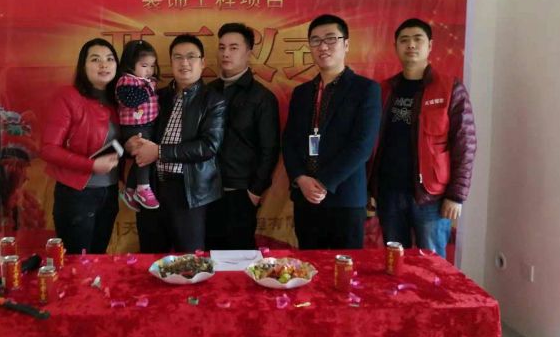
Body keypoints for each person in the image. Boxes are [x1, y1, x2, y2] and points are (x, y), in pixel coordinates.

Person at [369, 18, 476, 256]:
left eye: (418, 39)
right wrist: (370, 189)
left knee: (432, 263)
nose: (411, 45)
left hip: (431, 197)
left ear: (430, 46)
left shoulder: (450, 88)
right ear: (395, 47)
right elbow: (373, 144)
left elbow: (465, 144)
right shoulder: (384, 90)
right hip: (389, 193)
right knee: (394, 262)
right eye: (404, 40)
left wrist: (456, 196)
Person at [282, 14, 381, 250]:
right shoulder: (302, 93)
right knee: (308, 266)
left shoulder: (366, 89)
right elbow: (289, 142)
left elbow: (362, 146)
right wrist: (301, 179)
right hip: (305, 198)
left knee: (344, 267)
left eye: (330, 39)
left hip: (344, 198)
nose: (323, 46)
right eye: (315, 40)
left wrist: (324, 182)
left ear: (346, 44)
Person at [128, 34, 226, 252]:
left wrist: (159, 152)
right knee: (151, 257)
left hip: (189, 193)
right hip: (152, 188)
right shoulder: (156, 96)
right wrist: (130, 144)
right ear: (171, 62)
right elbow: (137, 128)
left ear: (202, 62)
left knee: (190, 260)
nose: (184, 63)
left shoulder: (213, 100)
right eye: (178, 57)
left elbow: (208, 146)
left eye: (191, 57)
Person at [41, 38, 121, 255]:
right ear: (83, 66)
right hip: (77, 196)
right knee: (76, 263)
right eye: (95, 59)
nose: (104, 65)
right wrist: (90, 165)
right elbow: (48, 148)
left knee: (98, 259)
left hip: (110, 192)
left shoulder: (118, 101)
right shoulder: (69, 96)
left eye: (109, 59)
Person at [205, 23, 280, 250]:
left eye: (234, 47)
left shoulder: (262, 97)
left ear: (248, 52)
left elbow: (270, 149)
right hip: (204, 190)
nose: (226, 53)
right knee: (207, 258)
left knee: (238, 258)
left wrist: (255, 191)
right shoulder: (207, 91)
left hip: (239, 193)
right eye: (222, 47)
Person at [115, 40, 160, 211]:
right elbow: (131, 100)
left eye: (152, 66)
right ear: (130, 64)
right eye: (144, 65)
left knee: (144, 157)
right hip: (133, 127)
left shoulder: (146, 80)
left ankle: (130, 190)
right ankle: (143, 187)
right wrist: (149, 88)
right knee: (145, 154)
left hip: (147, 125)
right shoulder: (126, 80)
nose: (149, 70)